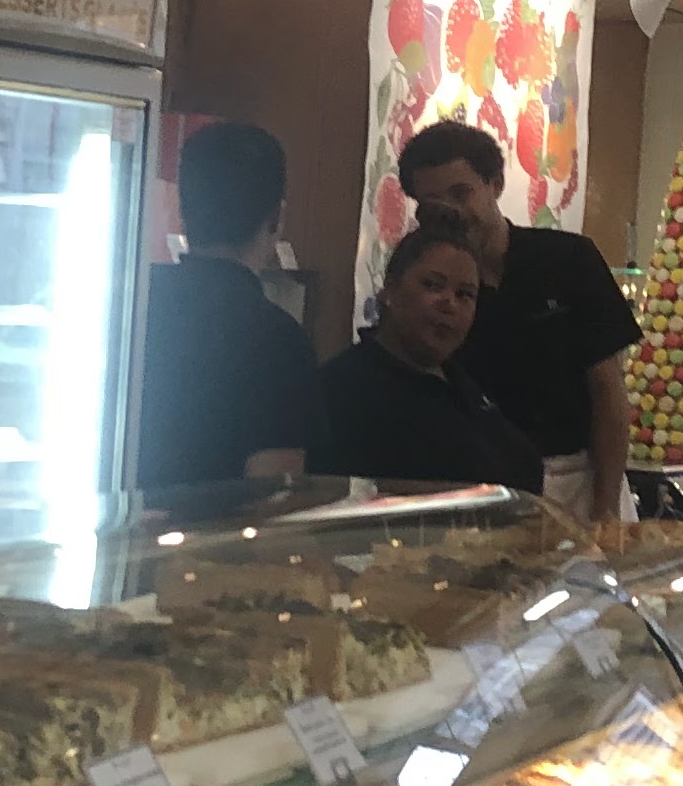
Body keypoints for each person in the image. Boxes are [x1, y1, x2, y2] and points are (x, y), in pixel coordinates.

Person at [397, 116, 639, 526]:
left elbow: (608, 391)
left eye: (462, 193)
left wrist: (606, 508)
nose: (453, 212)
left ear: (495, 185)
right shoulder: (432, 291)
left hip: (581, 481)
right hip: (480, 491)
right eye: (435, 202)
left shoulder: (569, 259)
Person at [138, 120, 329, 493]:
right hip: (211, 531)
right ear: (276, 218)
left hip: (111, 523)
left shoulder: (131, 307)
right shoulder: (277, 339)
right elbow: (272, 495)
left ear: (184, 210)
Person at [317, 220, 545, 488]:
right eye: (433, 285)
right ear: (391, 290)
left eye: (464, 294)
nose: (449, 304)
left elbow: (523, 463)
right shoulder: (343, 386)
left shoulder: (461, 380)